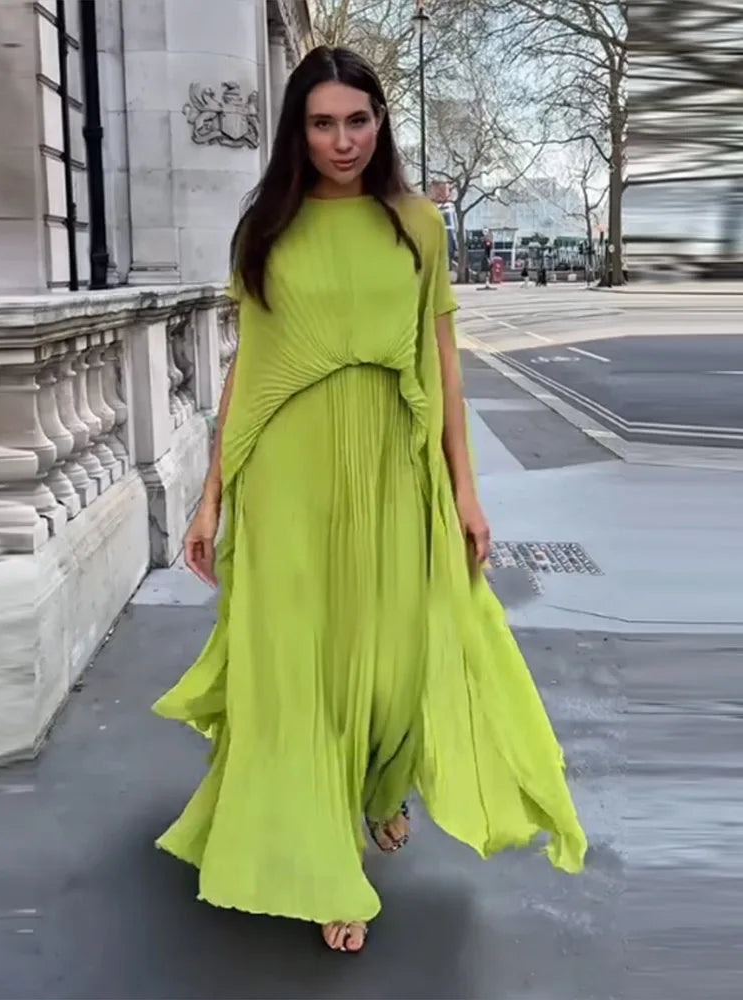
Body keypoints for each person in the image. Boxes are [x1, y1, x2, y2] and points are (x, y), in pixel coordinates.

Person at [153, 46, 586, 955]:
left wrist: (466, 491)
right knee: (300, 666)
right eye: (322, 123)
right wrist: (210, 498)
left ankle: (381, 787)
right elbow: (248, 371)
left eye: (358, 120)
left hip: (394, 464)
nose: (342, 140)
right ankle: (325, 861)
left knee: (393, 658)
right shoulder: (264, 231)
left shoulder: (417, 225)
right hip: (288, 476)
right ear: (296, 130)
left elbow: (443, 364)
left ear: (380, 123)